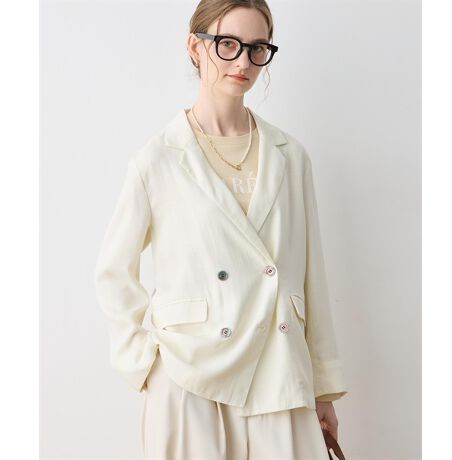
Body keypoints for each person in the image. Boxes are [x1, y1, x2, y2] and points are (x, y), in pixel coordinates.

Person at [94, 1, 348, 458]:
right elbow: (113, 271)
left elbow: (313, 276)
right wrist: (145, 363)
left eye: (257, 48)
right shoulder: (158, 158)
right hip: (189, 376)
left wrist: (323, 387)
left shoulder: (290, 156)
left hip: (279, 370)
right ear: (196, 46)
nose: (243, 62)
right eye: (227, 44)